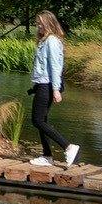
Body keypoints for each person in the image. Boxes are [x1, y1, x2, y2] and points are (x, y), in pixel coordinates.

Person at [28, 10, 80, 167]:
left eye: (40, 23)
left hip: (48, 85)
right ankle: (47, 156)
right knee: (41, 120)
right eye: (37, 23)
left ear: (48, 24)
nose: (38, 26)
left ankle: (68, 147)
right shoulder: (45, 40)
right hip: (42, 85)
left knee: (37, 120)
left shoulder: (51, 41)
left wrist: (56, 89)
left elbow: (55, 67)